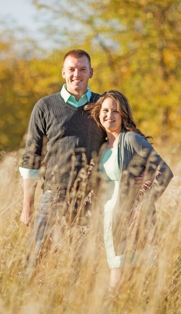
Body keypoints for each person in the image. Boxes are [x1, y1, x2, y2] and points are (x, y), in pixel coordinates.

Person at [19, 49, 106, 275]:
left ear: (91, 73)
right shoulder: (45, 106)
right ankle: (24, 299)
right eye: (72, 69)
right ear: (63, 73)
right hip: (54, 194)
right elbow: (31, 157)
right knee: (36, 255)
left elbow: (119, 141)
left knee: (82, 261)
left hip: (90, 197)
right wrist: (27, 207)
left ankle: (76, 305)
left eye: (82, 69)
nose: (77, 74)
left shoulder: (102, 105)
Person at [86, 90, 173, 288]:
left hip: (130, 220)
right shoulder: (102, 146)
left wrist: (142, 206)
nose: (110, 115)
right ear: (99, 114)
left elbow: (164, 172)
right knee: (123, 285)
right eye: (106, 110)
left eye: (115, 111)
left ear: (123, 114)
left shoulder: (132, 140)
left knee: (119, 285)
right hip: (109, 220)